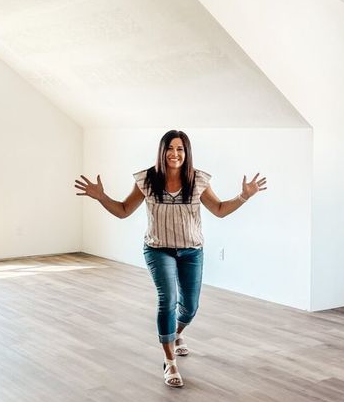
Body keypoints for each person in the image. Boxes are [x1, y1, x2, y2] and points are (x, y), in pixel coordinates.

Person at [74, 130, 266, 388]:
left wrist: (244, 196)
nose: (175, 154)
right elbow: (122, 211)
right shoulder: (147, 179)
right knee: (169, 299)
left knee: (191, 307)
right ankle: (169, 360)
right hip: (158, 249)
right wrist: (101, 197)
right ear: (162, 151)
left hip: (191, 251)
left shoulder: (198, 180)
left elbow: (219, 210)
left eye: (180, 149)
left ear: (186, 153)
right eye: (170, 148)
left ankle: (174, 335)